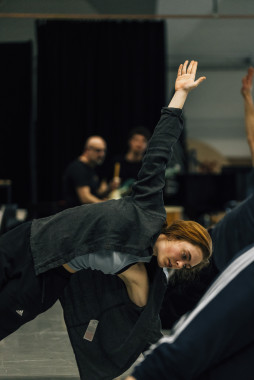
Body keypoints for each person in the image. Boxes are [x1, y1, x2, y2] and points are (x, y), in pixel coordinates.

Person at [0, 61, 209, 379]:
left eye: (186, 267)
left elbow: (147, 329)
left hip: (46, 281)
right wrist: (179, 95)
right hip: (31, 239)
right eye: (185, 255)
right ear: (179, 234)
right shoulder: (148, 210)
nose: (180, 264)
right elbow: (158, 152)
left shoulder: (146, 277)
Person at [63, 135, 112, 206]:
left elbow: (95, 193)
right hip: (76, 215)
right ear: (87, 150)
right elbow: (85, 198)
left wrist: (109, 188)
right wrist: (105, 205)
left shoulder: (91, 168)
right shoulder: (78, 168)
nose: (102, 154)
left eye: (104, 151)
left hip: (87, 213)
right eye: (98, 150)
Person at [106, 126, 151, 198]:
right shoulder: (117, 162)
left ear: (147, 144)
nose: (140, 144)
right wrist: (110, 187)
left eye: (144, 141)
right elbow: (103, 188)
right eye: (136, 140)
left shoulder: (148, 166)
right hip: (118, 203)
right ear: (130, 141)